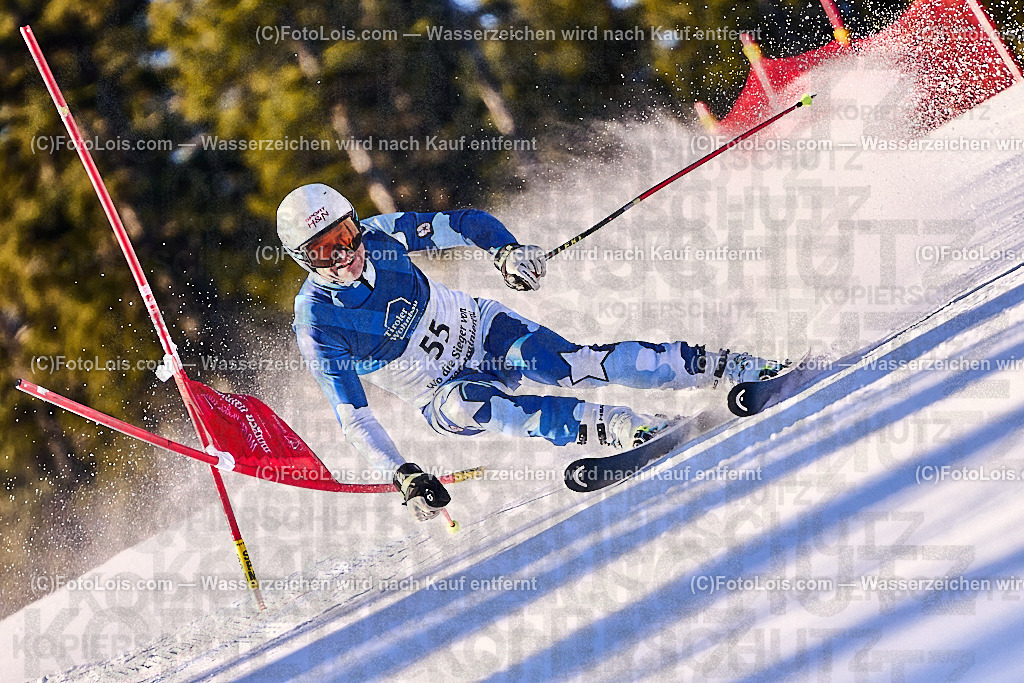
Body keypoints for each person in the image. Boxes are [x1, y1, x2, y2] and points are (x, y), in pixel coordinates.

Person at [278, 183, 782, 521]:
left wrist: (507, 252)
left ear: (355, 223)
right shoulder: (318, 321)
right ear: (304, 260)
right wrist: (401, 473)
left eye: (346, 235)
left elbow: (463, 222)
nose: (344, 255)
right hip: (441, 392)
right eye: (324, 250)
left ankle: (728, 366)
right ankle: (628, 427)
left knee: (574, 366)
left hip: (481, 330)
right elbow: (353, 417)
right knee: (473, 405)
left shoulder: (382, 235)